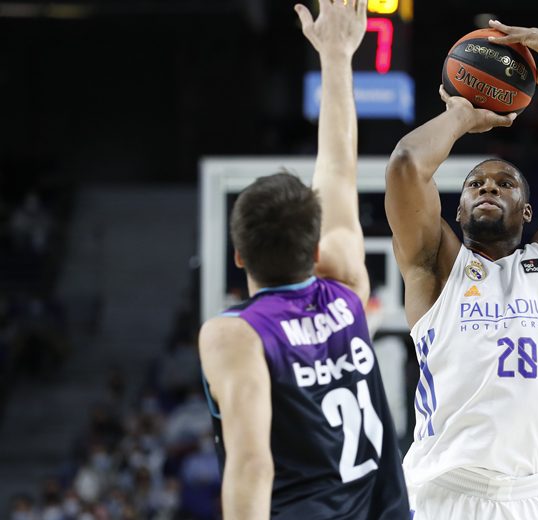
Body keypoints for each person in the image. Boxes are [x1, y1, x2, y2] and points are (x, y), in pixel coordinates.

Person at [385, 19, 538, 519]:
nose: (488, 187)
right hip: (443, 491)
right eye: (475, 184)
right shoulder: (437, 267)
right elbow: (406, 164)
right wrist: (462, 115)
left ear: (528, 212)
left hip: (533, 495)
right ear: (459, 210)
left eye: (505, 183)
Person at [198, 2, 408, 518]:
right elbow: (337, 168)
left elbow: (251, 466)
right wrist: (337, 56)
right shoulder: (346, 287)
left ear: (238, 255)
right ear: (316, 252)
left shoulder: (234, 335)